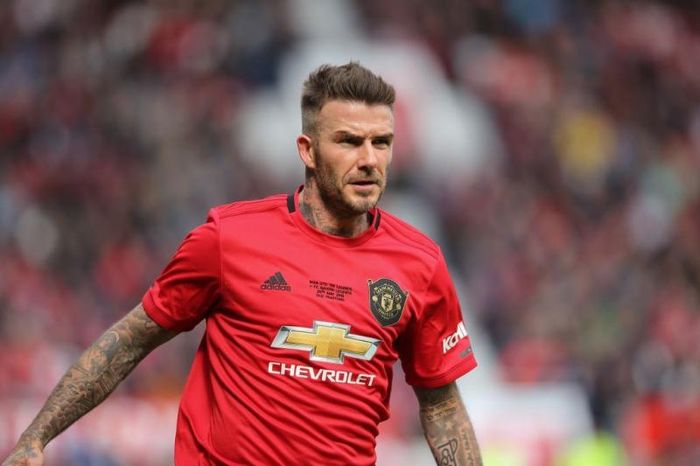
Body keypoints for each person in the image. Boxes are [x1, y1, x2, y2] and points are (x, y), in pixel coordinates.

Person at [3, 62, 482, 466]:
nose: (369, 159)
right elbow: (130, 341)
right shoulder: (229, 239)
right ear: (308, 150)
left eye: (381, 142)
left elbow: (441, 404)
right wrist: (36, 438)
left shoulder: (419, 264)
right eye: (349, 141)